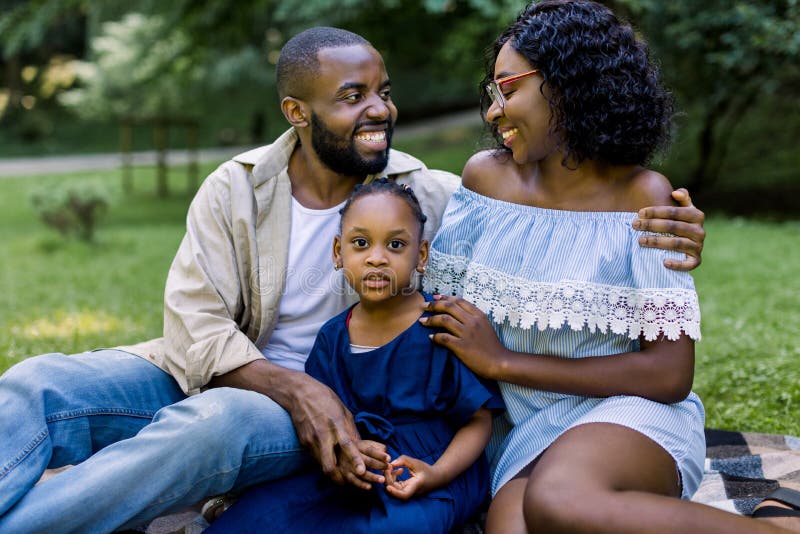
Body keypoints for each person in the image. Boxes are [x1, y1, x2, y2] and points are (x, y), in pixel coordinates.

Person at [0, 26, 707, 533]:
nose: (380, 111)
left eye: (383, 92)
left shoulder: (425, 193)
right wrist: (292, 385)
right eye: (352, 97)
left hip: (318, 407)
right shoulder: (237, 188)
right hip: (226, 373)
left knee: (209, 427)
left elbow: (556, 215)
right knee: (37, 383)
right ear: (297, 114)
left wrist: (675, 226)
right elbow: (195, 331)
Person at [420, 2, 800, 533]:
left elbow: (668, 375)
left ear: (568, 86)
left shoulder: (641, 196)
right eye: (493, 92)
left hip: (630, 413)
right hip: (525, 428)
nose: (492, 111)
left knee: (560, 500)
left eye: (509, 89)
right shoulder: (484, 181)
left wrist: (504, 362)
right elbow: (440, 318)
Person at [206, 178, 504, 533]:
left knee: (396, 527)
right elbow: (326, 422)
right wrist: (349, 454)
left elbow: (478, 422)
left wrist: (436, 474)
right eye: (360, 243)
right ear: (338, 252)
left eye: (395, 244)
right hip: (357, 469)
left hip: (431, 471)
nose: (377, 258)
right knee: (265, 513)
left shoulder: (441, 326)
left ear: (421, 255)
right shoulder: (332, 338)